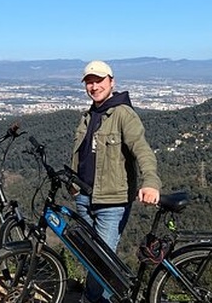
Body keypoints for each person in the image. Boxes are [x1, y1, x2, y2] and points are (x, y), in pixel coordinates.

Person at [72, 60, 162, 303]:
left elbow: (142, 151)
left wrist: (150, 182)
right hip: (84, 198)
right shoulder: (89, 115)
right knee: (90, 256)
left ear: (112, 81)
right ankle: (97, 296)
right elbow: (80, 154)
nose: (93, 86)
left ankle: (94, 299)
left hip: (112, 201)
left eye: (98, 80)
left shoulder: (123, 114)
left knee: (101, 259)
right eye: (89, 82)